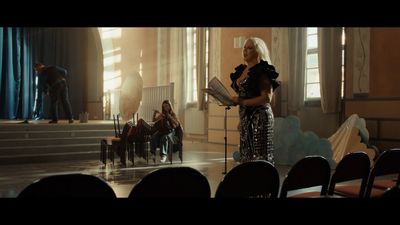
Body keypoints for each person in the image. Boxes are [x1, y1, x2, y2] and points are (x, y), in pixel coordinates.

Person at [230, 37, 280, 164]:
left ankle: (264, 182)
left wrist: (242, 102)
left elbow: (267, 97)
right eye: (244, 48)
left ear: (258, 51)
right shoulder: (242, 70)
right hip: (246, 117)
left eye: (250, 48)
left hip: (260, 117)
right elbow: (244, 95)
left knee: (260, 156)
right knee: (246, 154)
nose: (245, 51)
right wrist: (242, 119)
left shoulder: (262, 70)